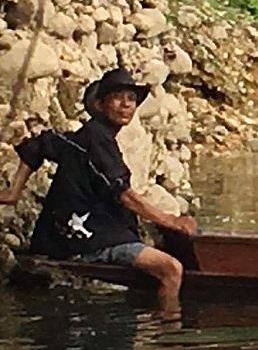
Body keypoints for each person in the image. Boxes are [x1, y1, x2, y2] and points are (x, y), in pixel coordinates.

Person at [0, 67, 197, 313]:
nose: (125, 105)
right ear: (100, 104)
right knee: (171, 269)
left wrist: (13, 192)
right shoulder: (98, 139)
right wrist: (170, 220)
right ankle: (167, 334)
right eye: (117, 97)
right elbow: (125, 195)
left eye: (131, 99)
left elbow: (39, 144)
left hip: (58, 237)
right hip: (92, 240)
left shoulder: (83, 136)